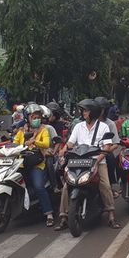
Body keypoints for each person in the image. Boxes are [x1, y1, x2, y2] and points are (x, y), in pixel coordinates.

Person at [55, 99, 120, 231]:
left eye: (86, 110)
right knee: (67, 185)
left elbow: (107, 146)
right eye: (83, 110)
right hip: (78, 161)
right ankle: (63, 217)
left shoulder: (103, 127)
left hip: (97, 161)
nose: (83, 113)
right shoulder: (79, 126)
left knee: (105, 185)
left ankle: (111, 215)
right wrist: (63, 150)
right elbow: (71, 143)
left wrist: (98, 160)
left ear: (93, 112)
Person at [13, 104, 55, 227]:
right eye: (33, 117)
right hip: (21, 163)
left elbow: (46, 143)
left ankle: (49, 214)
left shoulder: (43, 130)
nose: (36, 119)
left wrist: (34, 141)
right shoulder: (21, 131)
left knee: (38, 186)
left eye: (38, 117)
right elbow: (15, 143)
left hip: (37, 164)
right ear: (28, 118)